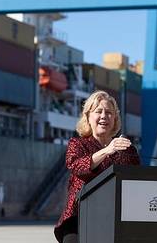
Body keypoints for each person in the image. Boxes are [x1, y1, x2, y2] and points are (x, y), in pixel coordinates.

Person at [54, 90, 141, 243]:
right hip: (79, 218)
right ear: (88, 116)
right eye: (98, 111)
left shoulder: (127, 149)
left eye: (109, 112)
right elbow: (77, 167)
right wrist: (108, 150)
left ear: (115, 119)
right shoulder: (77, 144)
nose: (103, 116)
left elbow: (137, 182)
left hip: (115, 218)